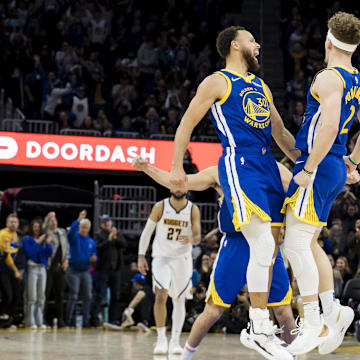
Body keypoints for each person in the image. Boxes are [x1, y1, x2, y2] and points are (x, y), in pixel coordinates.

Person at [169, 25, 298, 360]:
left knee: (276, 241)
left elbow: (281, 133)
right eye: (253, 40)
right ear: (235, 45)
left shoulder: (261, 86)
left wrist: (307, 161)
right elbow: (186, 123)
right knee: (265, 242)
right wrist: (176, 167)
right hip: (239, 162)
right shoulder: (218, 81)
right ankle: (258, 327)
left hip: (267, 162)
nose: (258, 45)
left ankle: (289, 323)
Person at [132, 157, 297, 358]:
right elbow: (178, 182)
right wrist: (146, 167)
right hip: (236, 243)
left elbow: (302, 193)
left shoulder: (276, 169)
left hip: (267, 242)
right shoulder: (219, 172)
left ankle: (294, 355)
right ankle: (185, 356)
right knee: (213, 310)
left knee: (283, 310)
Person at [281, 12, 360, 356]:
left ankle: (313, 321)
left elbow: (328, 127)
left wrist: (309, 168)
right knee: (309, 241)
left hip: (320, 163)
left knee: (294, 245)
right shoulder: (355, 76)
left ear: (328, 41)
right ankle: (333, 311)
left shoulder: (329, 77)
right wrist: (354, 162)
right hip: (335, 164)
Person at [137, 190, 201, 355]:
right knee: (161, 294)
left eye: (181, 184)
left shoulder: (193, 209)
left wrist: (191, 239)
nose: (178, 187)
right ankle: (160, 339)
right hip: (161, 257)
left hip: (182, 259)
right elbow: (147, 232)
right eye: (175, 183)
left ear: (186, 188)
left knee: (179, 299)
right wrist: (141, 256)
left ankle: (175, 341)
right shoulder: (160, 206)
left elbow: (198, 236)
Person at [92, 214, 127, 326]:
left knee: (115, 296)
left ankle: (113, 319)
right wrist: (109, 239)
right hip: (103, 269)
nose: (107, 223)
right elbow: (98, 248)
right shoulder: (98, 235)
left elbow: (124, 245)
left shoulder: (117, 233)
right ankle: (96, 319)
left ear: (111, 222)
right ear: (101, 224)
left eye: (108, 221)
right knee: (101, 295)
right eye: (104, 222)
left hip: (116, 269)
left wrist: (115, 237)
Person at [66, 210, 97, 327]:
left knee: (88, 296)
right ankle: (68, 320)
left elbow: (94, 255)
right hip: (73, 270)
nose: (84, 230)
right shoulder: (74, 238)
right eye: (82, 227)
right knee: (73, 295)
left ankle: (86, 321)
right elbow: (69, 234)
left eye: (86, 228)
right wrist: (78, 220)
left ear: (89, 229)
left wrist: (94, 258)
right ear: (80, 228)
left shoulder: (91, 242)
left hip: (85, 271)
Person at [23, 225, 53, 329]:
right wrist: (38, 243)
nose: (36, 229)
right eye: (34, 227)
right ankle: (30, 321)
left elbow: (49, 254)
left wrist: (48, 243)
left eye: (39, 227)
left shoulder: (44, 240)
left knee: (41, 296)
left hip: (42, 268)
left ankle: (39, 321)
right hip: (32, 268)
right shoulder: (27, 239)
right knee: (32, 296)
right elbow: (30, 253)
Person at [43, 212, 69, 328]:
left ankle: (60, 319)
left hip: (61, 267)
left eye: (55, 219)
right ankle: (43, 319)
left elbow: (67, 247)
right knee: (46, 294)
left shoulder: (62, 232)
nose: (54, 222)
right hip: (48, 267)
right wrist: (48, 217)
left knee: (60, 295)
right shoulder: (45, 232)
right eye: (51, 220)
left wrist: (67, 259)